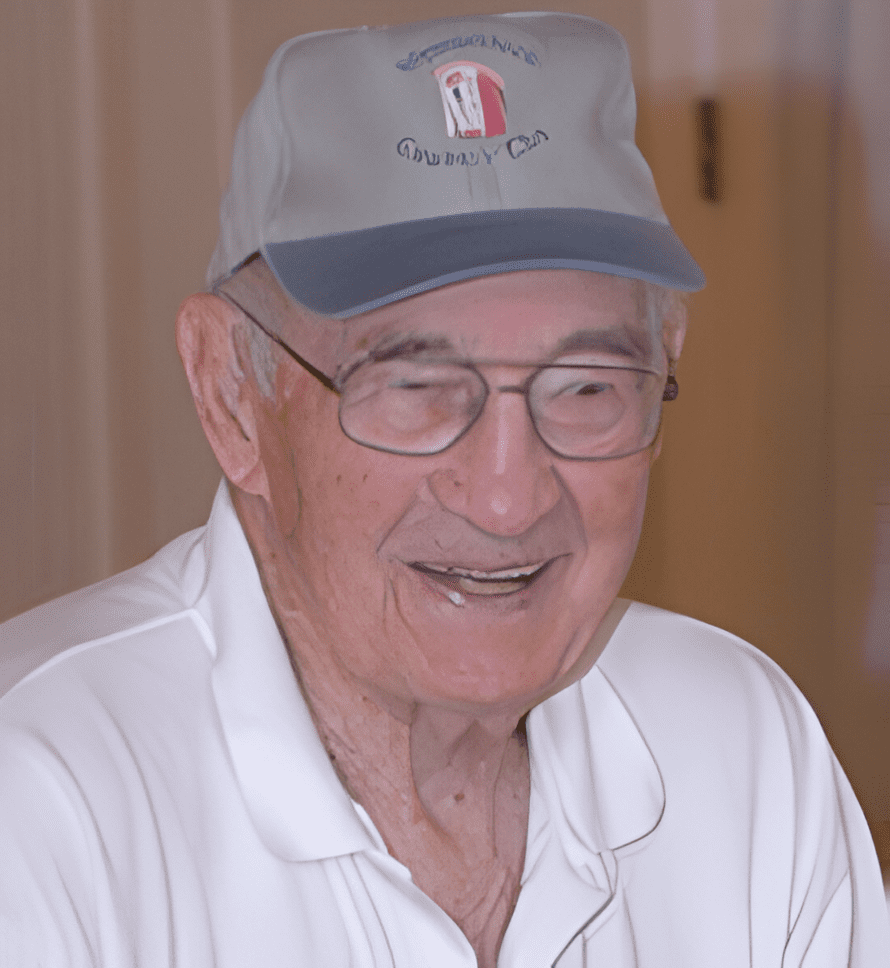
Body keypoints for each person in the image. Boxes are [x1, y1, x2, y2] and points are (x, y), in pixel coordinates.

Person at [0, 12, 887, 967]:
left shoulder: (745, 756)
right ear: (231, 396)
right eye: (415, 388)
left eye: (586, 386)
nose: (508, 500)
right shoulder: (42, 807)